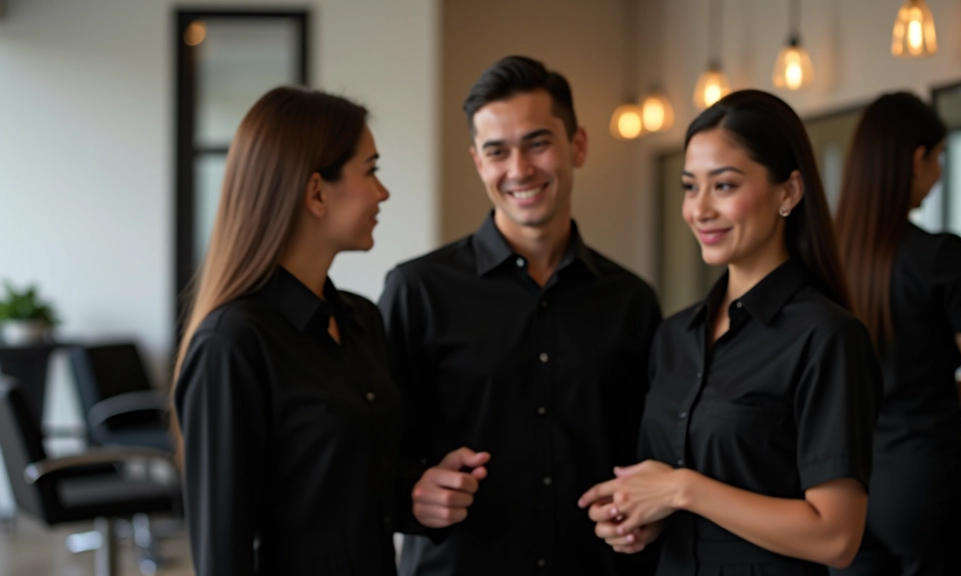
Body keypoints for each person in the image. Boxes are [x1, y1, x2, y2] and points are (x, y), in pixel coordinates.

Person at [379, 55, 662, 575]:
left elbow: (647, 458)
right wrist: (410, 495)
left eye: (538, 143)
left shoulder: (632, 301)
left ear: (577, 145)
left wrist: (647, 517)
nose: (519, 169)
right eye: (497, 151)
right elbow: (373, 452)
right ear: (478, 162)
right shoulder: (417, 291)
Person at [579, 89, 881, 575]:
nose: (699, 210)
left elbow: (836, 536)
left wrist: (684, 488)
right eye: (689, 186)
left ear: (789, 192)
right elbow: (668, 497)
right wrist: (641, 519)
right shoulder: (674, 336)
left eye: (723, 186)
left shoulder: (828, 338)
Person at [172, 86, 399, 575]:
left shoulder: (361, 321)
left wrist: (422, 491)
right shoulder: (232, 344)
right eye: (371, 170)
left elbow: (354, 489)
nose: (383, 192)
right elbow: (222, 556)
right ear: (316, 192)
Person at [832, 92, 961, 576]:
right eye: (938, 158)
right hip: (924, 485)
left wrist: (947, 385)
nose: (938, 176)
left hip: (846, 485)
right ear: (917, 158)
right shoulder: (939, 256)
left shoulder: (830, 263)